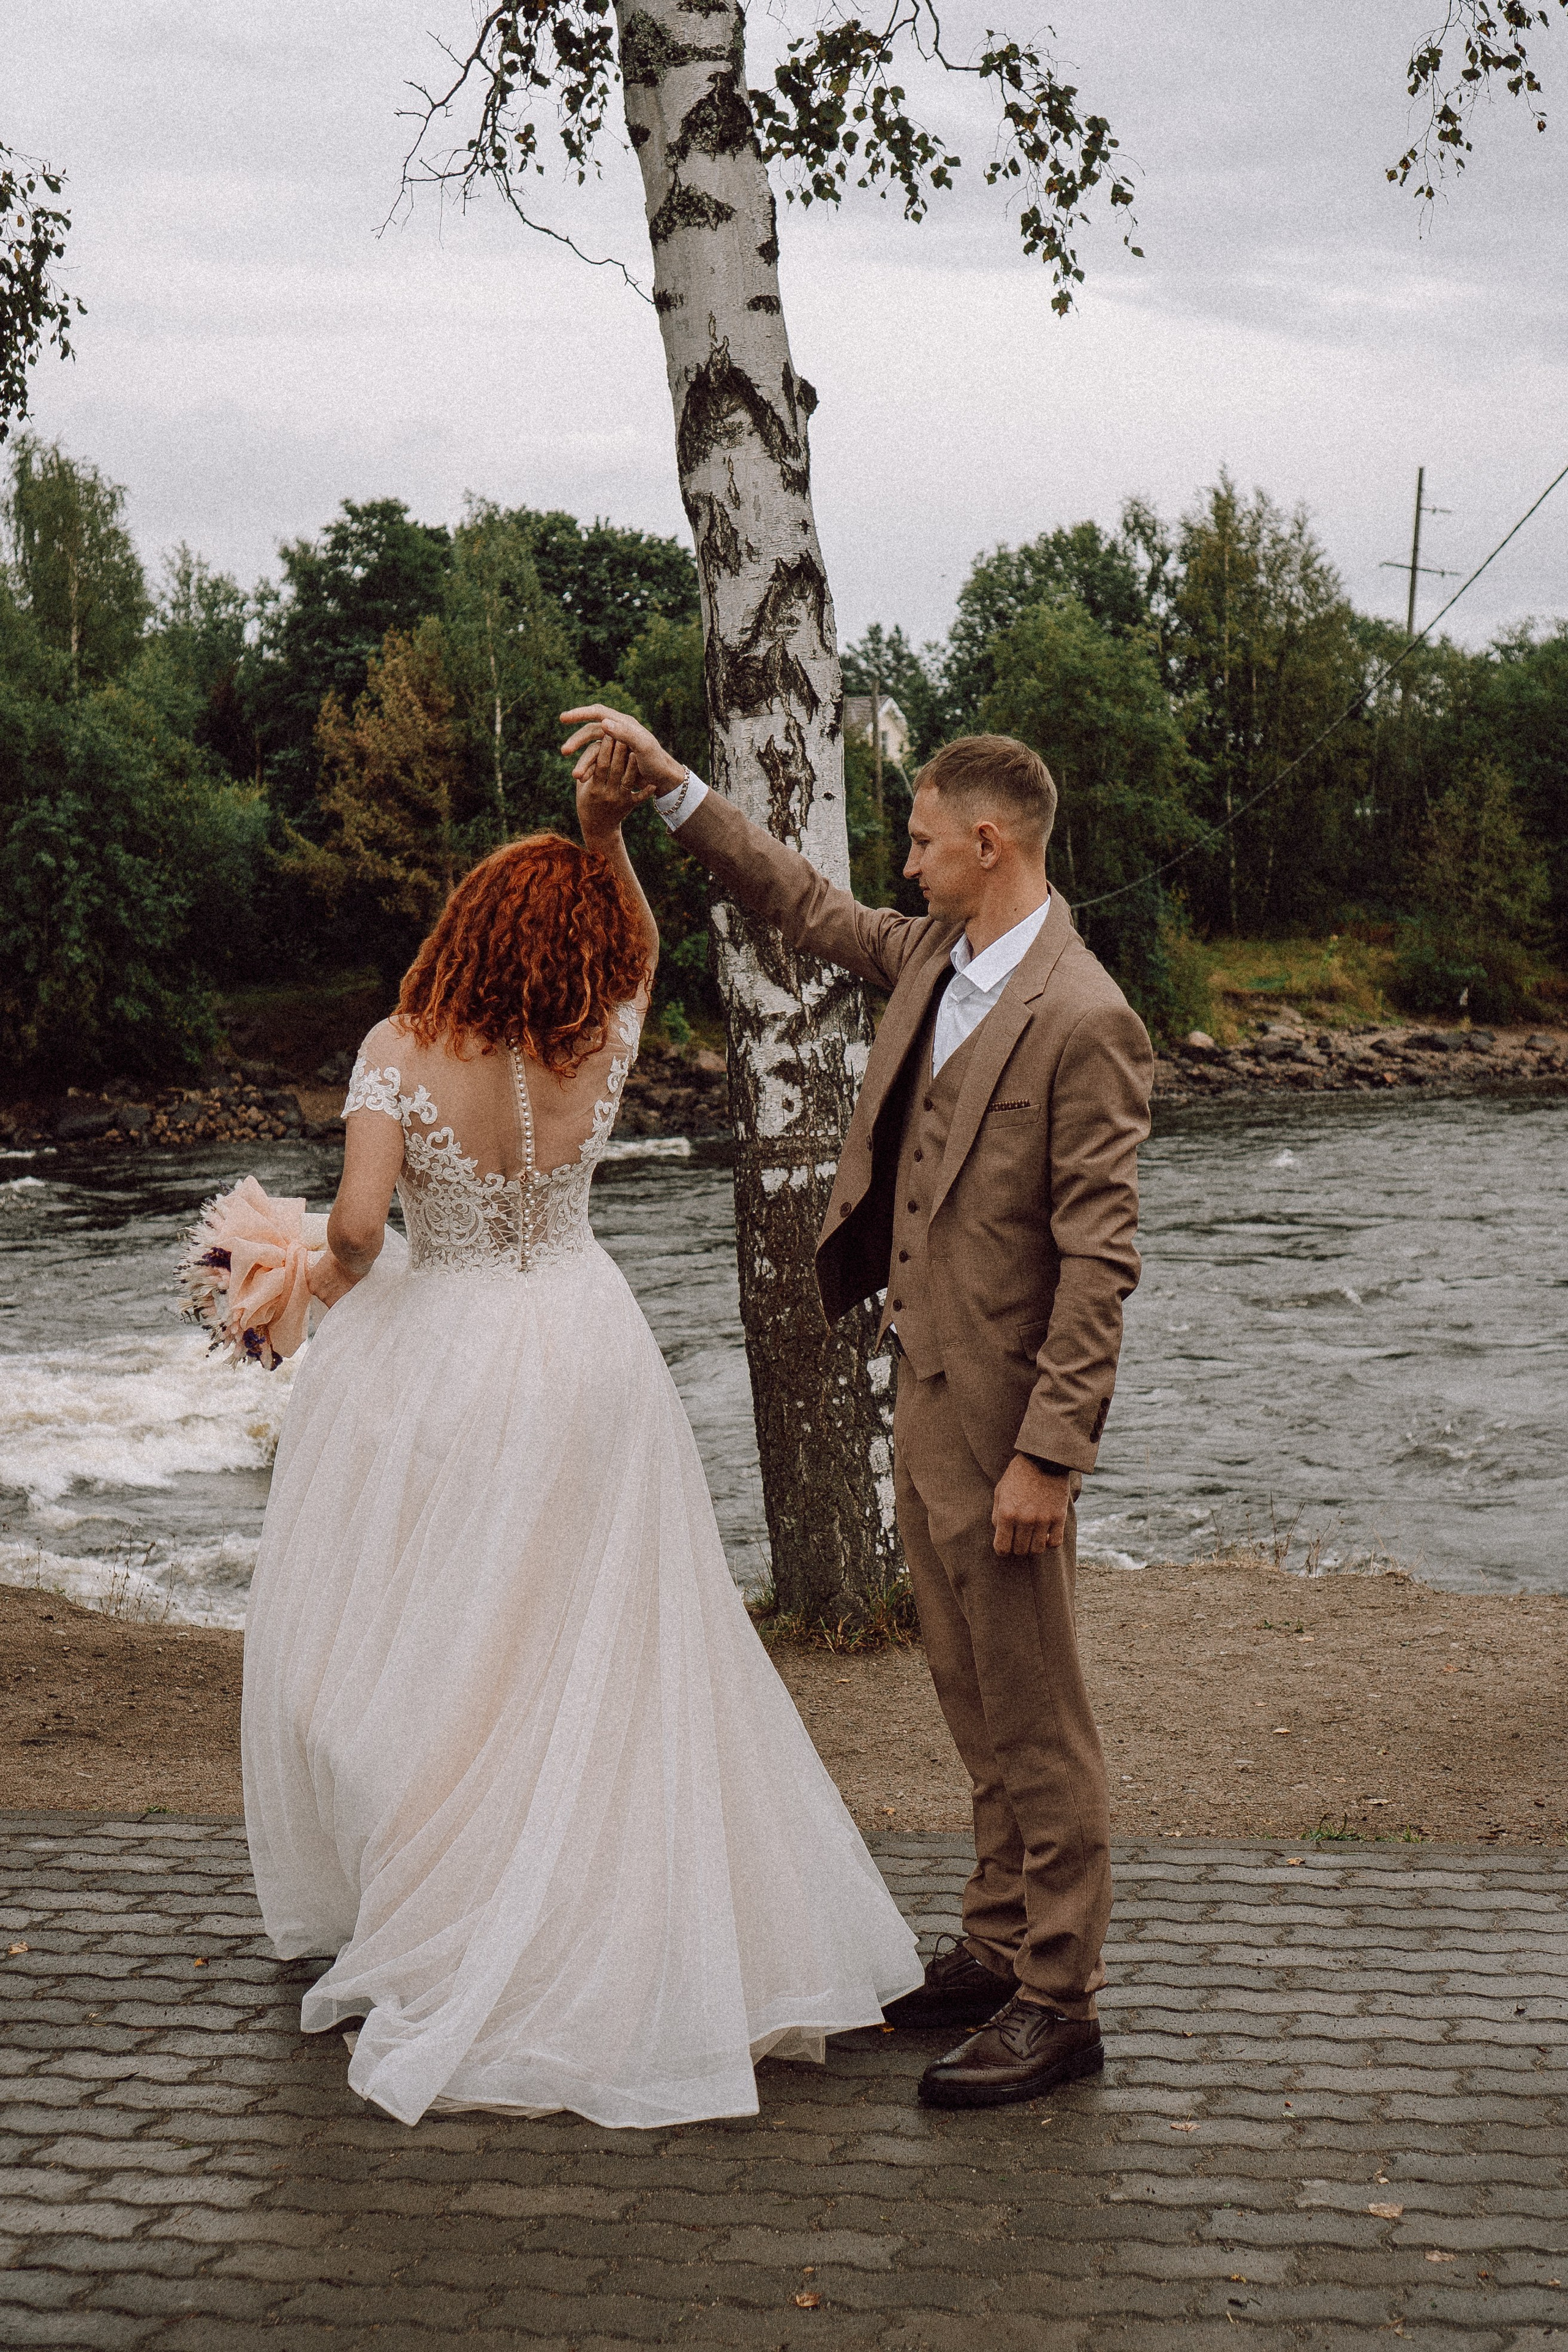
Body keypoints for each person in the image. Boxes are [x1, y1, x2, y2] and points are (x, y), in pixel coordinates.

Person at [241, 736, 921, 2130]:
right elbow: (649, 944)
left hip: (455, 1353)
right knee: (594, 1627)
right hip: (588, 1342)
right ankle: (608, 1885)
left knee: (457, 1628)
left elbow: (360, 1235)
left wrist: (296, 1275)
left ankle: (463, 1889)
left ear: (467, 927)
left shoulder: (396, 1052)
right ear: (580, 943)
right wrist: (607, 835)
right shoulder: (604, 1032)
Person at [561, 706, 1154, 2109]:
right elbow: (801, 903)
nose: (904, 861)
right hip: (924, 1388)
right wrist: (675, 789)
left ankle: (1059, 2000)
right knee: (968, 1687)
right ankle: (996, 1943)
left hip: (1006, 1419)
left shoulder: (1084, 1017)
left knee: (1037, 1714)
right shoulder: (934, 956)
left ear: (988, 843)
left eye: (924, 840)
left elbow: (1098, 1262)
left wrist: (1048, 1458)